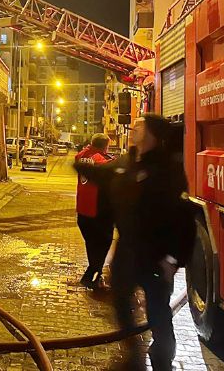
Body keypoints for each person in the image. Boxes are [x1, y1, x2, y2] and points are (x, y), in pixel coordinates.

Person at [75, 114, 194, 371]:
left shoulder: (168, 169)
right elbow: (103, 175)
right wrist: (78, 165)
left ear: (152, 133)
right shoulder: (126, 162)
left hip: (155, 254)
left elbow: (184, 218)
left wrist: (173, 260)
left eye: (139, 126)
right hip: (127, 251)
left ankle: (163, 357)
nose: (133, 129)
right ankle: (132, 351)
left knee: (158, 311)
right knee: (120, 302)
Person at [74, 133, 114, 290]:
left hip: (83, 211)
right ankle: (92, 275)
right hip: (97, 211)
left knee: (92, 244)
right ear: (105, 146)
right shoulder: (101, 160)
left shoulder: (81, 156)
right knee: (103, 243)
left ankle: (92, 275)